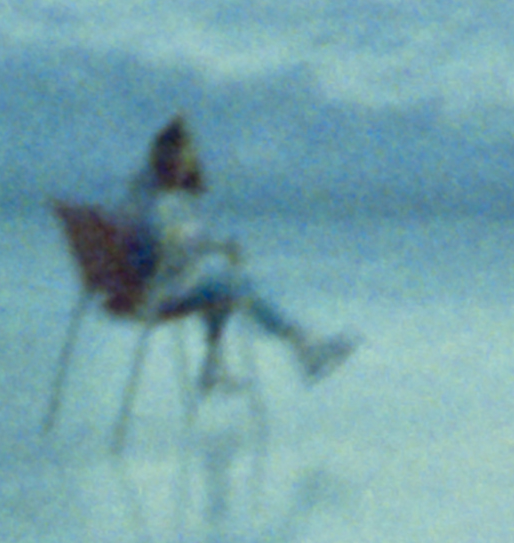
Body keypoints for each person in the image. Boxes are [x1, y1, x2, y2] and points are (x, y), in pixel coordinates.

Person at [120, 116, 355, 389]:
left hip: (150, 285)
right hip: (161, 291)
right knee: (238, 287)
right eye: (183, 159)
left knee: (224, 284)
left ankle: (214, 366)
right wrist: (212, 246)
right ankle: (303, 346)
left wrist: (209, 246)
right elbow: (169, 244)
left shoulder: (143, 191)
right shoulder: (157, 200)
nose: (186, 166)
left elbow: (170, 241)